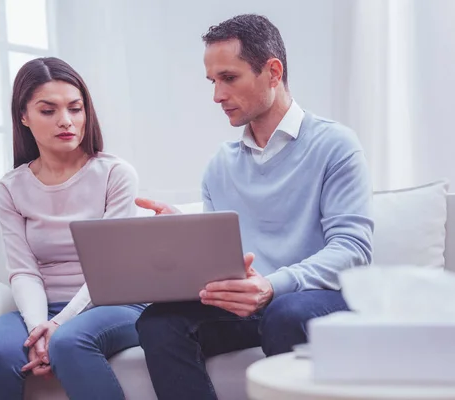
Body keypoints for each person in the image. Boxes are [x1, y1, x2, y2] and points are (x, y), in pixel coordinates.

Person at [135, 14, 374, 399]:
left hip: (319, 297)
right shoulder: (221, 164)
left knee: (286, 313)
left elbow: (352, 252)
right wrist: (184, 238)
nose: (217, 95)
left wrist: (272, 286)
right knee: (158, 323)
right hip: (251, 301)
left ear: (273, 72)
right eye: (213, 82)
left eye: (229, 78)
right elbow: (221, 258)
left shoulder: (335, 145)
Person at [0, 57, 144, 400]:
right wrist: (39, 327)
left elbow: (108, 269)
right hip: (42, 307)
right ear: (23, 116)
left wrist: (60, 325)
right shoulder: (9, 188)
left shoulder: (115, 173)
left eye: (75, 109)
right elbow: (23, 270)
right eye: (48, 111)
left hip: (116, 302)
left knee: (68, 341)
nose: (66, 121)